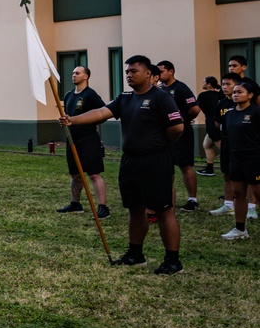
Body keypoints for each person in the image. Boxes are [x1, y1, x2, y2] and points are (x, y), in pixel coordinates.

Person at [60, 55, 185, 275]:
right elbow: (101, 113)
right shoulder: (125, 97)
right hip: (129, 161)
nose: (128, 75)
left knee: (164, 210)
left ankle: (173, 261)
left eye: (133, 71)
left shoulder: (161, 97)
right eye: (127, 71)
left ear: (148, 73)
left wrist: (159, 143)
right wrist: (73, 119)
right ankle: (135, 255)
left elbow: (177, 127)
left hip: (155, 161)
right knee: (134, 209)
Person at [56, 66, 110, 219]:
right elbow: (69, 115)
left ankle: (103, 208)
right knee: (75, 174)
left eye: (77, 73)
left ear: (86, 77)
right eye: (73, 72)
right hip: (72, 139)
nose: (74, 75)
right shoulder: (68, 95)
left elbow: (104, 113)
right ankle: (75, 204)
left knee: (93, 174)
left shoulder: (90, 95)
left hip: (88, 139)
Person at [156, 61, 201, 212]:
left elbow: (194, 109)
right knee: (167, 166)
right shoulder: (160, 89)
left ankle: (192, 200)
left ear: (171, 71)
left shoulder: (181, 88)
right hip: (165, 133)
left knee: (184, 164)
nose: (159, 74)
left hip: (182, 132)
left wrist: (183, 119)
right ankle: (167, 198)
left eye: (161, 71)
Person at [220, 79, 260, 240]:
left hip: (255, 158)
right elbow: (226, 138)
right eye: (234, 92)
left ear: (250, 95)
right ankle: (240, 229)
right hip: (236, 158)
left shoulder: (257, 112)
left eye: (239, 92)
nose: (235, 95)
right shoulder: (229, 114)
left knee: (258, 192)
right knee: (238, 193)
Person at [210, 73, 240, 216]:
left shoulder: (242, 102)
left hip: (242, 144)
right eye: (223, 85)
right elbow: (217, 122)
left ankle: (251, 207)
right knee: (226, 173)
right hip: (226, 141)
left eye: (228, 84)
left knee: (247, 176)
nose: (225, 87)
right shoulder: (221, 103)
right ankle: (228, 204)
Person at [196, 76, 222, 177]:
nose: (202, 83)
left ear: (209, 84)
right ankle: (209, 169)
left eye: (204, 82)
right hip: (219, 121)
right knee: (207, 145)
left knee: (222, 146)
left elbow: (196, 110)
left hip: (211, 122)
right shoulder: (219, 95)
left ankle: (237, 165)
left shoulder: (203, 95)